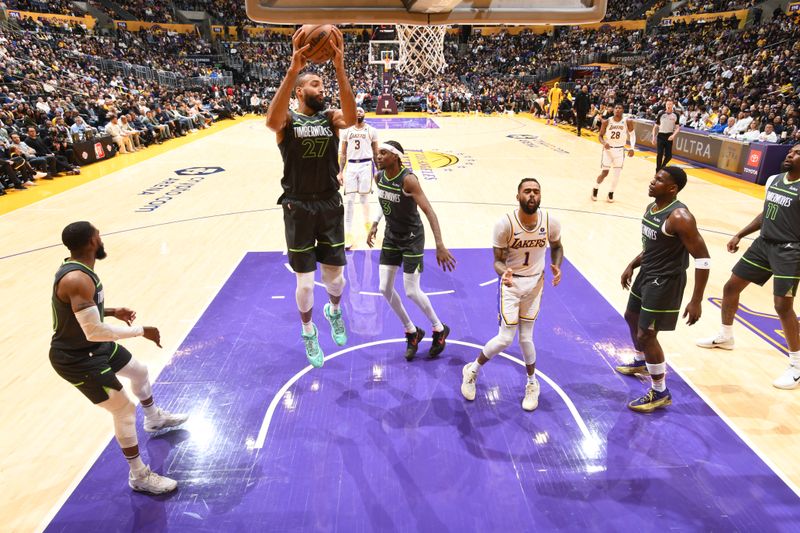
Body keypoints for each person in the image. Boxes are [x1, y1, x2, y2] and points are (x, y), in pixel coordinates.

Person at [50, 221, 188, 494]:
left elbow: (81, 311)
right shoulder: (76, 278)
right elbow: (94, 331)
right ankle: (139, 476)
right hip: (77, 359)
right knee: (123, 410)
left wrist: (111, 311)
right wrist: (141, 331)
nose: (102, 239)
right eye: (99, 235)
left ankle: (154, 419)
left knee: (139, 371)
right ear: (91, 242)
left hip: (93, 346)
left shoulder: (80, 271)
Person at [265, 26, 356, 368]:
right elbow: (270, 121)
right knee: (304, 282)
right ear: (300, 91)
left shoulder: (331, 118)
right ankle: (308, 331)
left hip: (330, 202)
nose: (323, 88)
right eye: (316, 84)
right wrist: (292, 69)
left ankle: (333, 311)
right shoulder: (287, 120)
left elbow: (351, 116)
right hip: (298, 205)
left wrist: (339, 67)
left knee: (336, 279)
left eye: (323, 84)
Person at [696, 145, 800, 390]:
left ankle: (796, 364)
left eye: (797, 153)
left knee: (782, 306)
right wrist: (740, 234)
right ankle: (726, 336)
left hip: (790, 250)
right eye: (791, 151)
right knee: (731, 287)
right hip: (763, 244)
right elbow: (766, 214)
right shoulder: (774, 180)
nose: (790, 154)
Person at [460, 178, 563, 411]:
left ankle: (531, 382)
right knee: (506, 339)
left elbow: (557, 246)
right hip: (511, 285)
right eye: (527, 191)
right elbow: (496, 260)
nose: (532, 195)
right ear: (517, 196)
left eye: (536, 191)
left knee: (526, 338)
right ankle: (472, 369)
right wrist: (503, 272)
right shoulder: (505, 224)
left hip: (536, 284)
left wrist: (557, 264)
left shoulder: (550, 222)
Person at [615, 167, 710, 412]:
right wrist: (631, 264)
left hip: (665, 281)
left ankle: (660, 392)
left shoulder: (680, 217)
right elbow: (651, 246)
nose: (652, 182)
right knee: (631, 317)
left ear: (672, 188)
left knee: (647, 334)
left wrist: (696, 300)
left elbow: (703, 259)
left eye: (659, 180)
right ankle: (642, 361)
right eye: (654, 177)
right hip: (647, 272)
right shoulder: (652, 208)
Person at [367, 141, 456, 360]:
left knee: (411, 291)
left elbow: (429, 212)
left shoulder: (408, 180)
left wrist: (440, 244)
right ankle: (411, 331)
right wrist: (376, 222)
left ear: (396, 157)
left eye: (383, 153)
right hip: (391, 236)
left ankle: (438, 328)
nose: (378, 156)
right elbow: (383, 198)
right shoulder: (379, 177)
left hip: (412, 238)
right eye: (378, 153)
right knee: (384, 288)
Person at [338, 107, 378, 250]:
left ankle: (368, 225)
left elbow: (376, 152)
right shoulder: (346, 131)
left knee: (363, 199)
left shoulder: (371, 130)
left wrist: (379, 171)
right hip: (351, 166)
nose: (359, 112)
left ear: (365, 114)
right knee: (349, 201)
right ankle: (348, 234)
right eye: (356, 111)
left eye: (361, 111)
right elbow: (343, 154)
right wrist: (340, 172)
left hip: (366, 165)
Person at [592, 103, 636, 203]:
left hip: (620, 150)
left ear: (623, 110)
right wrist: (604, 143)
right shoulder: (607, 121)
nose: (617, 109)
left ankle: (611, 193)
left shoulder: (627, 121)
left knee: (617, 175)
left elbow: (632, 135)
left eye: (619, 108)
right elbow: (600, 136)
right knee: (605, 173)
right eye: (616, 108)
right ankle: (595, 188)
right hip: (608, 150)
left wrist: (632, 148)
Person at [652, 100, 680, 171]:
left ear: (673, 105)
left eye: (670, 104)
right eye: (667, 104)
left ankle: (662, 166)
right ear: (665, 105)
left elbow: (677, 128)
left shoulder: (676, 115)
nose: (668, 106)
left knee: (669, 156)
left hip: (669, 136)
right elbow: (655, 126)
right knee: (659, 154)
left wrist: (673, 135)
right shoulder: (661, 114)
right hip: (661, 135)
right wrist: (653, 137)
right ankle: (658, 170)